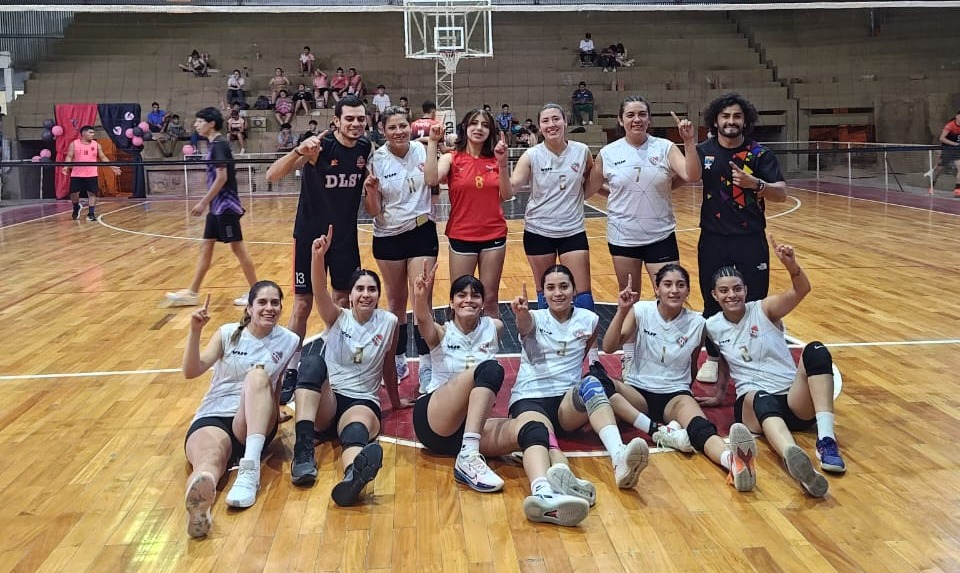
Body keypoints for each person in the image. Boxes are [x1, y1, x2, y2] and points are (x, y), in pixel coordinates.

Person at [702, 237, 847, 497]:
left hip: (792, 400)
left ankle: (827, 441)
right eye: (724, 290)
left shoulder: (764, 309)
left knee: (816, 350)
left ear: (746, 289)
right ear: (714, 295)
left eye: (737, 288)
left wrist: (791, 265)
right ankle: (794, 458)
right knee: (760, 397)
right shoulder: (712, 325)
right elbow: (724, 360)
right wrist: (719, 393)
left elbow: (801, 290)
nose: (731, 294)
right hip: (753, 405)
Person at [601, 265, 759, 492]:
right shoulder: (641, 310)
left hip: (675, 395)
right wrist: (621, 311)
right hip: (637, 393)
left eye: (680, 285)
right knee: (598, 382)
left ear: (687, 292)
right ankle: (660, 431)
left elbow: (699, 363)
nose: (674, 290)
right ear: (657, 289)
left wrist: (717, 392)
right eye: (667, 284)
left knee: (700, 427)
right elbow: (608, 347)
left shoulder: (698, 323)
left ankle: (732, 462)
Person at [289, 228, 413, 503]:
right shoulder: (337, 316)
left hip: (362, 402)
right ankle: (303, 454)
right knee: (310, 363)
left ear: (379, 295)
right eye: (360, 289)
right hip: (330, 400)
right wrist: (317, 257)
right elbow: (319, 289)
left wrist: (395, 401)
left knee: (356, 433)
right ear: (351, 294)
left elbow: (388, 365)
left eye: (372, 289)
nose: (366, 294)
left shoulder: (389, 322)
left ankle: (352, 477)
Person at [505, 266, 650, 494]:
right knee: (543, 437)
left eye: (564, 286)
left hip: (566, 404)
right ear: (542, 294)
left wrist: (623, 310)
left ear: (574, 292)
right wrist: (521, 313)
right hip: (531, 399)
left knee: (591, 382)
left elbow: (583, 355)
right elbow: (524, 325)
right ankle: (555, 485)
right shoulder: (535, 317)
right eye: (550, 288)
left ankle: (619, 457)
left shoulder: (589, 320)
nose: (558, 293)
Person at [265, 94, 372, 404]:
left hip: (344, 238)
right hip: (310, 235)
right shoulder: (318, 148)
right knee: (302, 304)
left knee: (341, 300)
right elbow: (273, 175)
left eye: (360, 119)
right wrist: (300, 150)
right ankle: (292, 370)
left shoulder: (365, 148)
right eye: (348, 118)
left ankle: (338, 363)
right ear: (336, 120)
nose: (355, 124)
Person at [182, 281, 299, 537]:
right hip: (215, 415)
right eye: (262, 302)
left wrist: (274, 414)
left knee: (257, 376)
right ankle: (200, 509)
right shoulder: (227, 333)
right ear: (249, 308)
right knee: (208, 462)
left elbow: (275, 384)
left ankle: (250, 469)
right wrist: (194, 331)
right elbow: (191, 371)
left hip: (252, 424)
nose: (269, 308)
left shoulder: (289, 340)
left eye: (275, 303)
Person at [694, 93, 787, 385]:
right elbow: (681, 175)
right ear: (715, 121)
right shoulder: (702, 151)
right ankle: (713, 357)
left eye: (736, 116)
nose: (731, 122)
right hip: (712, 238)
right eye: (725, 116)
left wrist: (755, 184)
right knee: (713, 300)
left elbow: (781, 194)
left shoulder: (759, 154)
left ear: (745, 120)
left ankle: (757, 356)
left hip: (749, 238)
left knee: (755, 300)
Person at [587, 96, 700, 303]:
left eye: (642, 114)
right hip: (623, 237)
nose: (636, 119)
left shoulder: (665, 147)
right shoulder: (609, 153)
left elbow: (691, 175)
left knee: (670, 296)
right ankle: (632, 336)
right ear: (621, 120)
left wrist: (689, 141)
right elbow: (587, 190)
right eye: (630, 115)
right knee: (630, 297)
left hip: (661, 235)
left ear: (649, 119)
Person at [412, 268, 508, 493]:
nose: (468, 300)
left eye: (475, 295)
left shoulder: (495, 328)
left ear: (483, 303)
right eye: (461, 295)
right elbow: (423, 319)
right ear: (452, 303)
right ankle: (468, 456)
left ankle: (548, 484)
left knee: (530, 430)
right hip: (435, 420)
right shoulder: (441, 333)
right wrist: (420, 297)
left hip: (468, 429)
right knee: (491, 369)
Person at [364, 106, 439, 391]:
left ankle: (428, 363)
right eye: (392, 127)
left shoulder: (423, 150)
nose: (399, 132)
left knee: (422, 299)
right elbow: (373, 210)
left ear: (411, 126)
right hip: (388, 235)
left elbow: (435, 185)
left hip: (421, 231)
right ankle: (397, 359)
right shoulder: (376, 160)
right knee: (396, 304)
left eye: (403, 125)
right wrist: (371, 191)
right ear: (383, 131)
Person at [509, 104, 596, 334]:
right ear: (539, 127)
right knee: (545, 290)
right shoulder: (532, 155)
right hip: (539, 231)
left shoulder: (582, 151)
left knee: (583, 292)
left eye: (556, 119)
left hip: (572, 230)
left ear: (565, 122)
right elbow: (512, 185)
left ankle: (592, 356)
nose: (551, 124)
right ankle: (549, 342)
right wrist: (498, 166)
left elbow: (592, 182)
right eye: (546, 121)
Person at [165, 107, 258, 307]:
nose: (196, 125)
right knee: (205, 247)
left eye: (200, 121)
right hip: (216, 208)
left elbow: (222, 177)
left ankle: (256, 292)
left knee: (238, 249)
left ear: (211, 124)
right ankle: (192, 292)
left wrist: (203, 202)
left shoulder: (219, 145)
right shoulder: (214, 144)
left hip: (225, 207)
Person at [425, 108, 511, 319]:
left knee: (490, 299)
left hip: (494, 236)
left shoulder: (495, 160)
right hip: (462, 235)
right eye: (474, 123)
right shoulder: (452, 158)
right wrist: (433, 142)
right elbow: (431, 179)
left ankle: (487, 350)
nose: (479, 128)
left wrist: (502, 163)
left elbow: (507, 194)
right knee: (461, 299)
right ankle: (458, 350)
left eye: (484, 125)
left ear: (490, 131)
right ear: (465, 127)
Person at [62, 126, 121, 221]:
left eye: (93, 133)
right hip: (77, 174)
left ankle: (91, 213)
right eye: (90, 133)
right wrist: (66, 166)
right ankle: (76, 206)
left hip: (91, 173)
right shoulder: (74, 144)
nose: (93, 134)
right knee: (74, 194)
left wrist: (112, 166)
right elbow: (69, 156)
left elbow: (103, 157)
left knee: (92, 193)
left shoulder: (96, 144)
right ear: (84, 133)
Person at [924, 109, 960, 196]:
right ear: (957, 116)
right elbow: (942, 138)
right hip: (947, 150)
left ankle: (957, 190)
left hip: (957, 151)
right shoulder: (950, 126)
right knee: (939, 171)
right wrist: (954, 144)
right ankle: (931, 187)